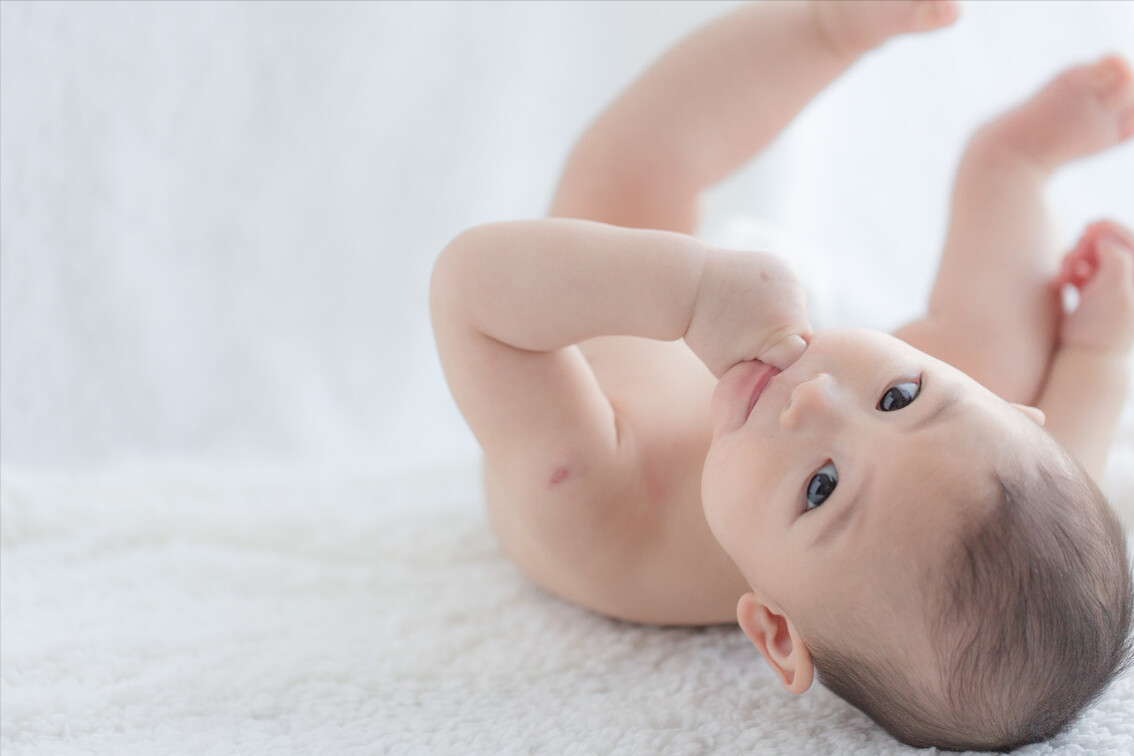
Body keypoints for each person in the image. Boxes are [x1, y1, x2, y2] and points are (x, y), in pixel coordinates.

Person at [430, 1, 1134, 749]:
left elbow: (468, 293)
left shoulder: (592, 495)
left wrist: (688, 293)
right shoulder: (938, 487)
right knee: (995, 375)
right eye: (900, 397)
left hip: (612, 323)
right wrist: (1101, 351)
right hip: (775, 325)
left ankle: (820, 29)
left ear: (774, 630)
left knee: (626, 172)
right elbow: (1069, 460)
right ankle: (1013, 161)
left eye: (821, 487)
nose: (817, 398)